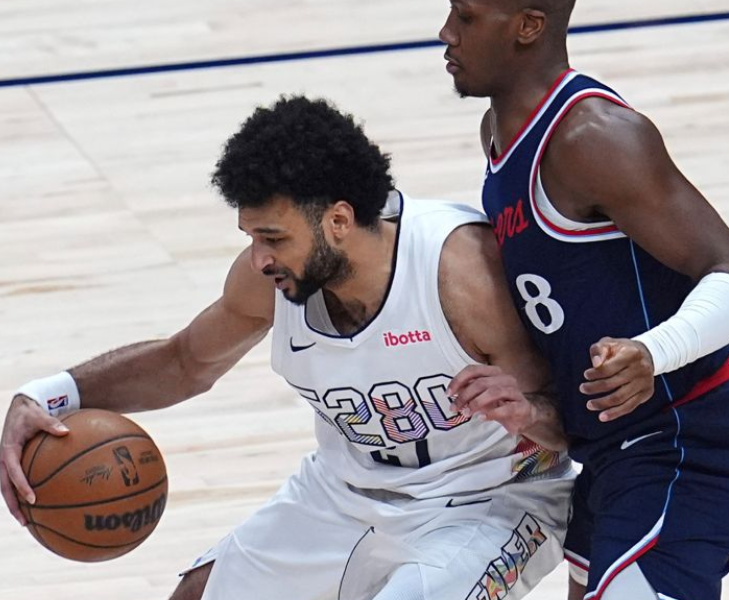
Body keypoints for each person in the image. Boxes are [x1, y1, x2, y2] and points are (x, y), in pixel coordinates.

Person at [0, 96, 575, 600]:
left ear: (339, 220)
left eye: (273, 237)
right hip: (344, 493)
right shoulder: (269, 281)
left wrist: (530, 412)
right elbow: (184, 362)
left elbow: (576, 427)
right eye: (251, 236)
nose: (258, 258)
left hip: (489, 501)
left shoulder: (462, 273)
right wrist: (49, 395)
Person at [439, 2, 729, 599]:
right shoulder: (499, 134)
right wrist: (531, 409)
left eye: (466, 16)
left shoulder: (592, 137)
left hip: (688, 442)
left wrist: (651, 352)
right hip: (609, 454)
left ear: (528, 26)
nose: (446, 32)